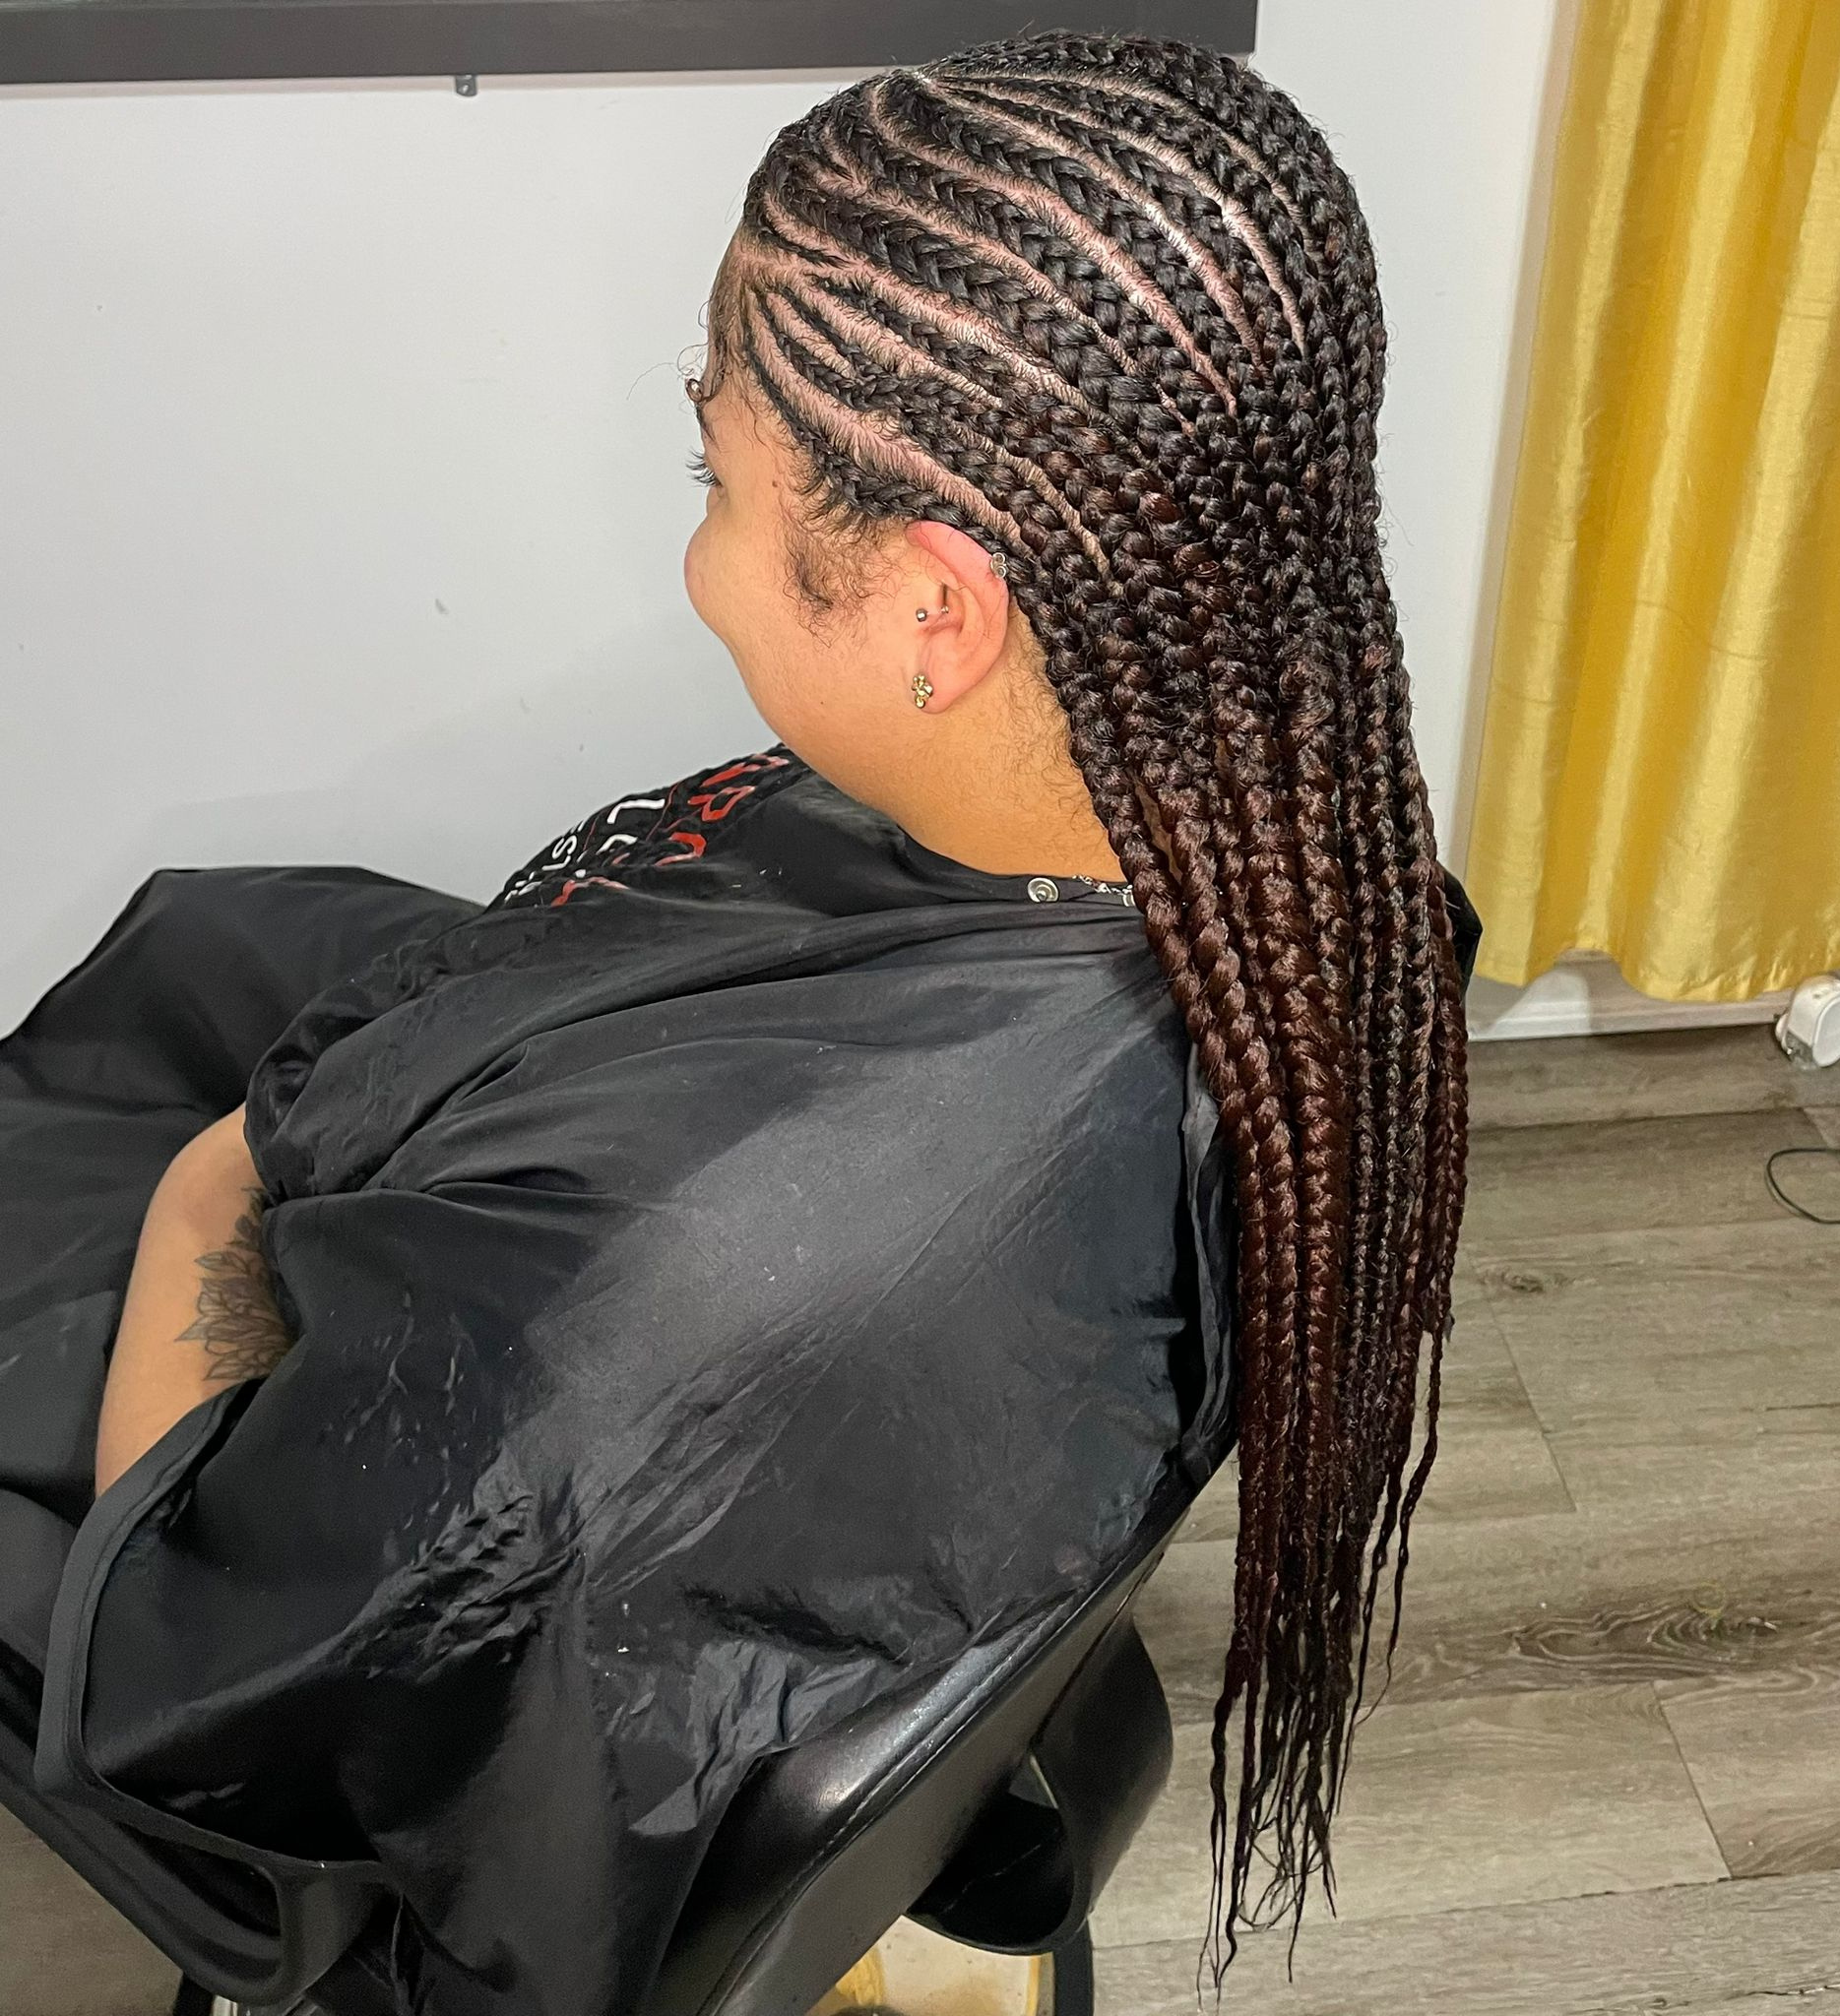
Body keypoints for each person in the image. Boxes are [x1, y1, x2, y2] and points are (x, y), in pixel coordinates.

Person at [2, 28, 1476, 2016]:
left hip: (519, 1331)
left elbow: (215, 1690)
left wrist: (215, 1186)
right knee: (223, 944)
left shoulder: (626, 1314)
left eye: (720, 478)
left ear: (939, 613)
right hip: (624, 1182)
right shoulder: (1326, 888)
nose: (700, 556)